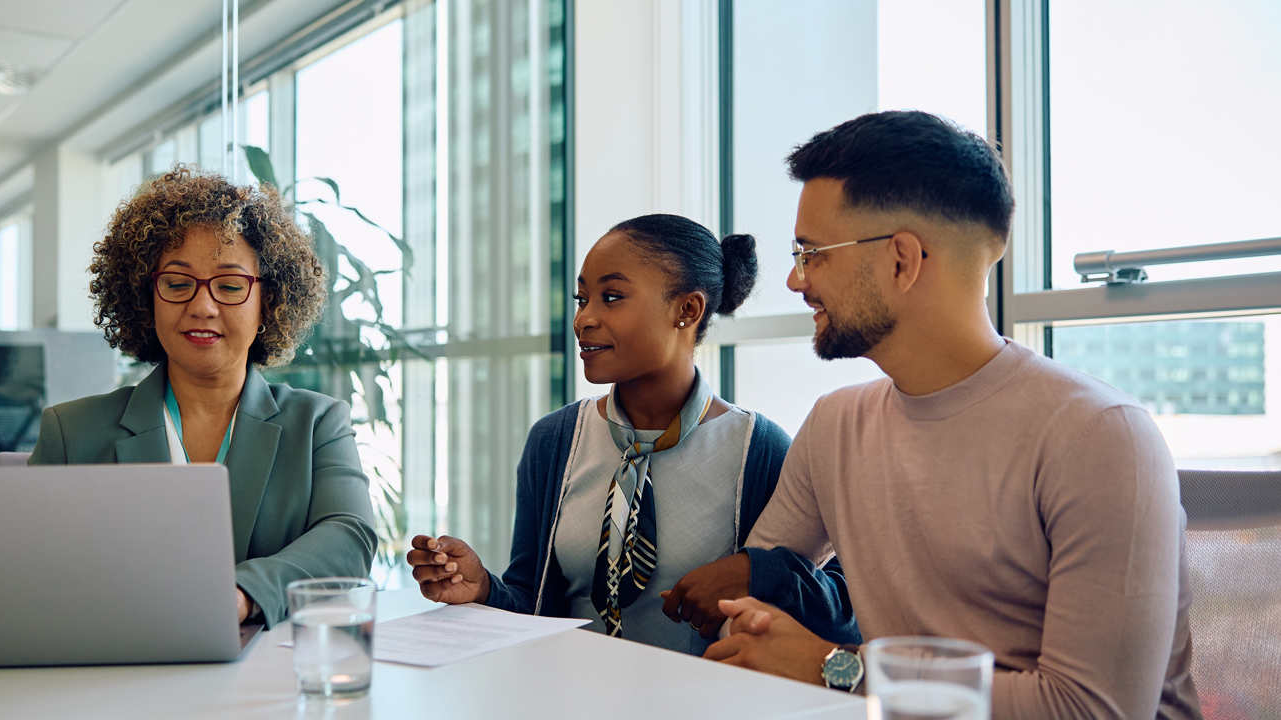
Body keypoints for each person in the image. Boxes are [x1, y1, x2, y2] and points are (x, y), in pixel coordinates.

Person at [676, 111, 1198, 718]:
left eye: (812, 253)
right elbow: (753, 619)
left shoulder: (1098, 436)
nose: (795, 279)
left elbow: (1091, 709)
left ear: (902, 260)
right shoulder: (836, 426)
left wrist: (834, 668)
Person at [406, 214, 858, 656]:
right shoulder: (554, 441)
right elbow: (533, 605)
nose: (584, 319)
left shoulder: (758, 450)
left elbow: (843, 606)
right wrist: (483, 588)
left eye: (612, 296)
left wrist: (757, 573)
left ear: (687, 310)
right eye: (582, 299)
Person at [28, 167, 377, 628]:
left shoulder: (317, 423)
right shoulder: (71, 433)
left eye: (230, 286)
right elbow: (30, 569)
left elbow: (348, 536)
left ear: (267, 304)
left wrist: (243, 594)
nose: (203, 306)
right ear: (144, 297)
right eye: (177, 283)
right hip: (115, 675)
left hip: (267, 680)